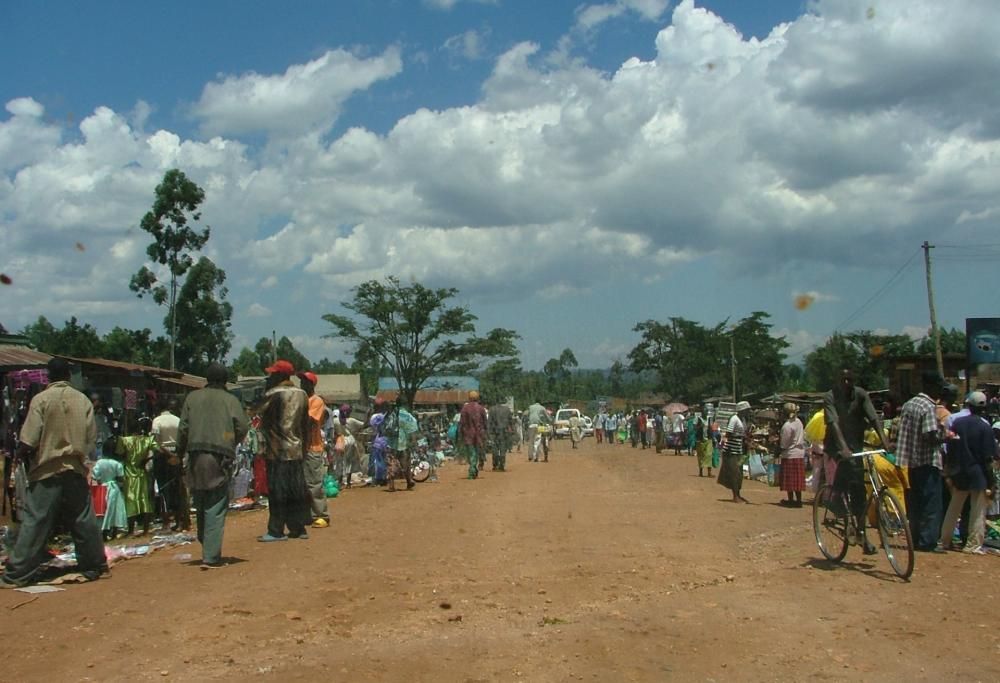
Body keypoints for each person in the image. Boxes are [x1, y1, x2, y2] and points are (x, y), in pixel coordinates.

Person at [1, 358, 108, 588]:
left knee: (36, 522)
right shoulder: (83, 400)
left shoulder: (41, 400)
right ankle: (95, 565)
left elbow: (29, 438)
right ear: (69, 376)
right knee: (83, 521)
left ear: (48, 376)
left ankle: (16, 575)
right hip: (75, 468)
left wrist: (19, 454)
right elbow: (91, 439)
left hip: (47, 469)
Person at [176, 363, 249, 568]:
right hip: (219, 456)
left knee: (200, 501)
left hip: (195, 455)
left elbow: (183, 429)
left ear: (206, 379)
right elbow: (242, 427)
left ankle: (205, 542)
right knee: (215, 505)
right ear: (225, 381)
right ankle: (211, 556)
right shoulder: (231, 400)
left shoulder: (192, 398)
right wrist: (229, 439)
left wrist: (179, 453)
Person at [825, 369, 889, 554]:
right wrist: (843, 448)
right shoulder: (830, 397)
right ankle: (835, 498)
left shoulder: (860, 395)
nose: (846, 382)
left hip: (856, 443)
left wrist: (885, 441)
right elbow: (833, 423)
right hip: (836, 443)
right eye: (843, 379)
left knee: (859, 491)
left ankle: (862, 534)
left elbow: (873, 418)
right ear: (838, 380)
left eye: (849, 379)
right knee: (848, 470)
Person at [257, 359, 311, 542]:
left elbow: (259, 414)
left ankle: (276, 530)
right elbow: (305, 424)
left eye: (272, 374)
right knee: (295, 490)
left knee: (278, 491)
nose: (270, 377)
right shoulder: (302, 394)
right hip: (296, 449)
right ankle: (298, 528)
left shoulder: (273, 394)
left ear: (279, 375)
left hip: (277, 450)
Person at [939, 391, 997, 554]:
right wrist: (991, 481)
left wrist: (949, 472)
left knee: (954, 507)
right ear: (984, 408)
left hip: (959, 472)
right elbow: (988, 458)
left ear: (968, 406)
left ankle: (945, 540)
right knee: (978, 510)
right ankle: (972, 545)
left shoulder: (958, 424)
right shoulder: (985, 427)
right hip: (977, 474)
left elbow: (950, 449)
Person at [895, 371, 947, 552]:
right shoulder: (928, 406)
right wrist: (944, 436)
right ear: (931, 387)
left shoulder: (910, 404)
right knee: (932, 504)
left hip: (910, 460)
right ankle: (928, 542)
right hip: (927, 460)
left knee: (915, 504)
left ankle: (915, 538)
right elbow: (930, 435)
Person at [297, 371, 330, 529]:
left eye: (305, 382)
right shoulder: (301, 400)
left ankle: (322, 515)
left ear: (312, 384)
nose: (302, 384)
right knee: (302, 484)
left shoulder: (316, 401)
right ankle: (307, 514)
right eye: (301, 381)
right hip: (300, 448)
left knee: (314, 484)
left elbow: (309, 421)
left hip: (312, 447)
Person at [151, 399, 189, 532]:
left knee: (163, 490)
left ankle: (166, 523)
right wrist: (176, 456)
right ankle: (179, 521)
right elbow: (184, 439)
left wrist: (168, 455)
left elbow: (156, 443)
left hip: (163, 457)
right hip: (177, 455)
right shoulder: (177, 420)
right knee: (177, 489)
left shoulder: (157, 421)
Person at [118, 414, 156, 537]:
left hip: (129, 473)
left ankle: (130, 531)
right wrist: (146, 459)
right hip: (142, 472)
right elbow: (158, 450)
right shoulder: (147, 440)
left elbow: (119, 454)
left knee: (130, 502)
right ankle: (145, 529)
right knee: (145, 500)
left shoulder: (124, 440)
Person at [718, 401, 752, 503]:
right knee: (734, 473)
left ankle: (738, 494)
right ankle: (735, 496)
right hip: (731, 451)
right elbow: (728, 433)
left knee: (739, 473)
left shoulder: (743, 420)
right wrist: (741, 436)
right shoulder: (734, 419)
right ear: (742, 410)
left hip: (739, 450)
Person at [91, 451, 127, 540]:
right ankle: (114, 533)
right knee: (115, 511)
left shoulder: (100, 462)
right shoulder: (117, 464)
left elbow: (94, 476)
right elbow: (121, 478)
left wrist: (101, 480)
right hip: (114, 488)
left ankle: (104, 533)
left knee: (104, 511)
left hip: (103, 489)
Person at [778, 402, 806, 507]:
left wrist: (778, 450)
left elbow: (784, 443)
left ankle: (791, 500)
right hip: (799, 453)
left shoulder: (787, 426)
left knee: (790, 479)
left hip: (790, 454)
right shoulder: (799, 422)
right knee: (797, 480)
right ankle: (799, 500)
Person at [459, 390, 488, 479]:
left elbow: (462, 422)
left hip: (468, 435)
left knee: (471, 453)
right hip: (478, 435)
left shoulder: (464, 408)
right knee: (475, 453)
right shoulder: (481, 408)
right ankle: (473, 470)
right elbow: (485, 422)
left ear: (469, 398)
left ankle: (472, 470)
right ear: (477, 398)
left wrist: (461, 434)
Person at [488, 400, 514, 470]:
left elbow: (489, 422)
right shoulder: (507, 409)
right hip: (504, 431)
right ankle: (502, 464)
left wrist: (489, 432)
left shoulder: (492, 409)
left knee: (495, 448)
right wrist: (512, 430)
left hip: (494, 432)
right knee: (503, 448)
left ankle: (495, 464)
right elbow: (510, 421)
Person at [695, 410, 713, 478]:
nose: (705, 413)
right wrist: (700, 426)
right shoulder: (699, 419)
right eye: (704, 412)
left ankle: (709, 472)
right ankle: (701, 472)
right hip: (701, 440)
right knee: (701, 456)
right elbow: (695, 428)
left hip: (708, 439)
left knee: (709, 455)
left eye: (706, 412)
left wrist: (713, 437)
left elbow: (711, 428)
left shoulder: (709, 419)